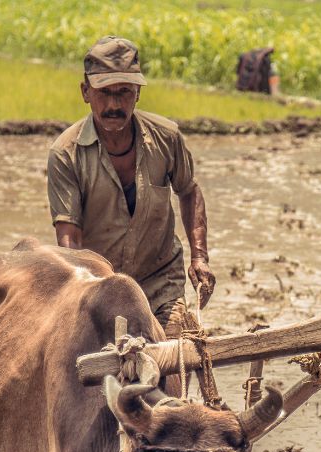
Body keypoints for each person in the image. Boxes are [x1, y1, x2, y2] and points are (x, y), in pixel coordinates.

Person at [47, 36, 215, 329]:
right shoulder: (66, 153)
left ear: (137, 93)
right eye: (104, 92)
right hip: (100, 287)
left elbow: (189, 191)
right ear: (85, 92)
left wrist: (199, 257)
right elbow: (70, 238)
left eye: (124, 92)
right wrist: (79, 293)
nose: (114, 104)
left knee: (173, 350)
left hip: (160, 280)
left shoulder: (166, 138)